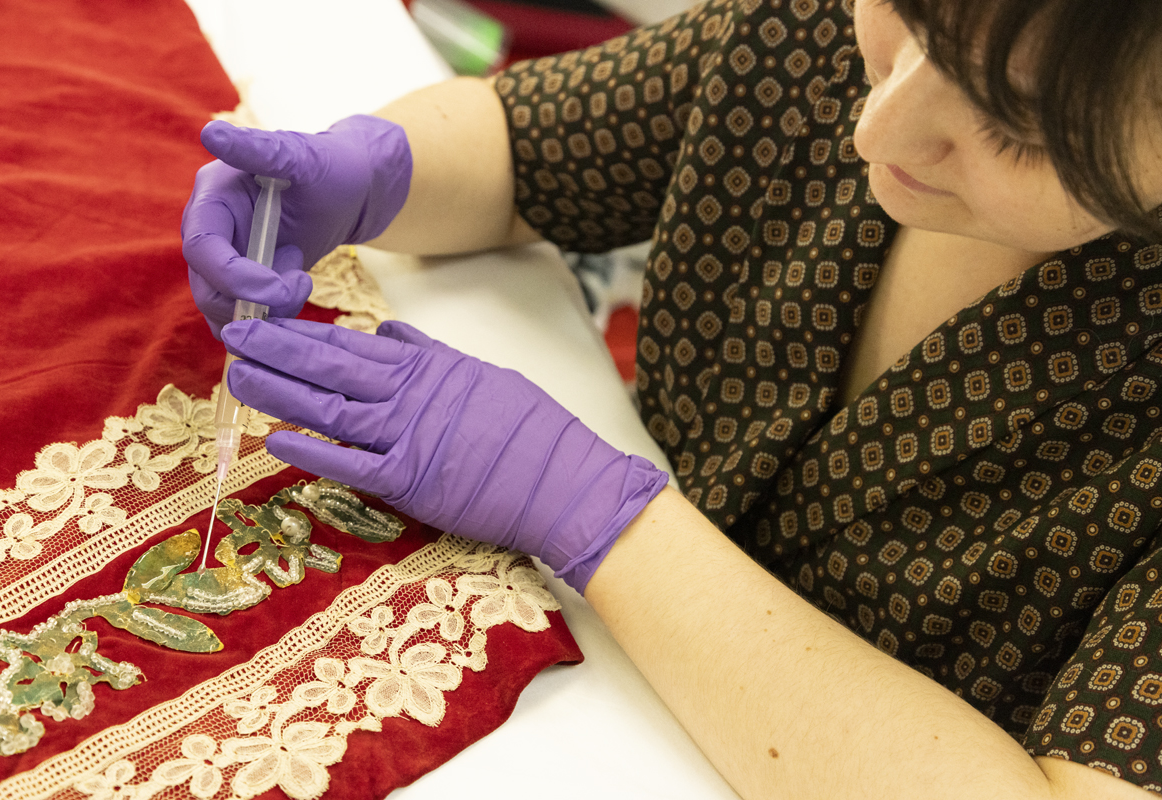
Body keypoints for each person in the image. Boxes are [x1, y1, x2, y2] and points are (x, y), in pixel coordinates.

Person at [181, 0, 1162, 796]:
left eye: (1013, 125)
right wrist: (373, 173)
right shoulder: (818, 33)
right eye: (905, 17)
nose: (882, 126)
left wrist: (596, 510)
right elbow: (529, 149)